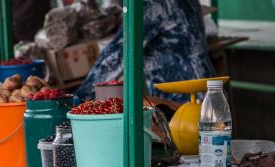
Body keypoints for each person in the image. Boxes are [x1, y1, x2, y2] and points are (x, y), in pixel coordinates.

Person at [75, 0, 216, 103]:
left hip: (186, 103)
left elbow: (117, 56)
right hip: (204, 95)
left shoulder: (153, 5)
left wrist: (77, 99)